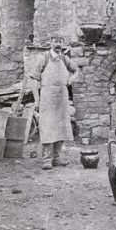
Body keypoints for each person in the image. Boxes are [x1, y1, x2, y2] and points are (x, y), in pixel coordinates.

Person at [30, 34, 78, 170]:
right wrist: (36, 99)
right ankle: (46, 159)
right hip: (47, 96)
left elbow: (76, 70)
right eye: (55, 41)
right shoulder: (43, 58)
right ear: (50, 42)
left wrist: (71, 79)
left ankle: (57, 158)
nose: (58, 44)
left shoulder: (64, 58)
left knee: (61, 126)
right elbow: (34, 78)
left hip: (62, 96)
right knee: (47, 126)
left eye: (60, 42)